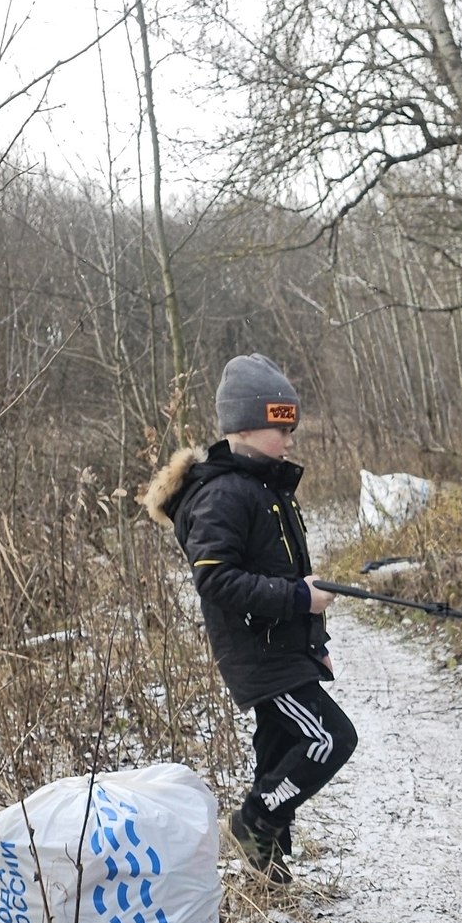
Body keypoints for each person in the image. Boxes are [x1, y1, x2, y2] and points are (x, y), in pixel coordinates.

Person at [140, 355, 354, 885]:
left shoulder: (267, 487)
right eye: (281, 427)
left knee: (278, 748)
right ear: (247, 425)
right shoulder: (221, 495)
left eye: (291, 427)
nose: (289, 438)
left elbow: (291, 572)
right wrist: (300, 603)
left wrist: (313, 638)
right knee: (330, 739)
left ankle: (267, 863)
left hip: (287, 649)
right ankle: (254, 819)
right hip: (258, 655)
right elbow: (217, 581)